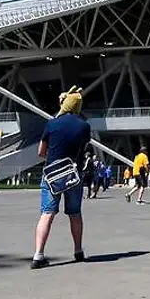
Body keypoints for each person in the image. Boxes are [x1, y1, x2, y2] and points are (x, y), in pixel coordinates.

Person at [32, 88, 92, 268]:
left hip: (51, 175)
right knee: (74, 213)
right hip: (73, 175)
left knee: (47, 214)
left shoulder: (52, 124)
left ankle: (38, 255)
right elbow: (83, 148)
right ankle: (78, 250)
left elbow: (41, 152)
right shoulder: (84, 125)